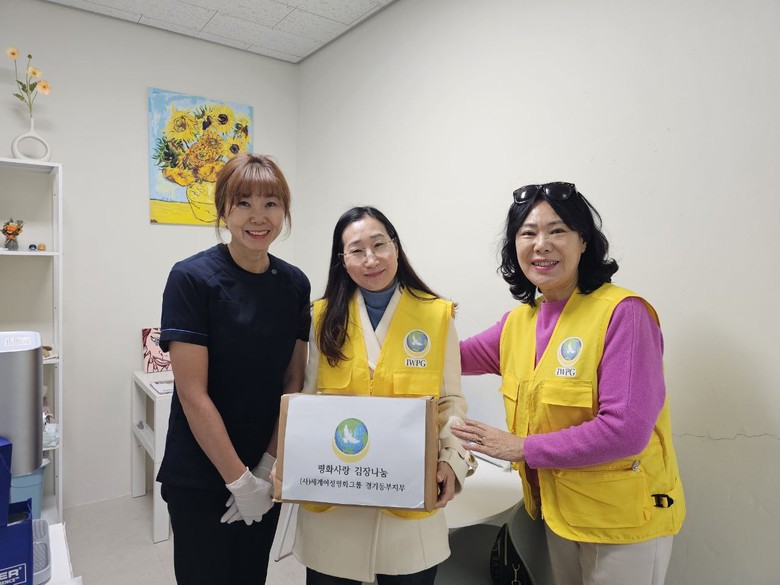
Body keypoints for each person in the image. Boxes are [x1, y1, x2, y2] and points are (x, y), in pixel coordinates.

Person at [451, 182, 685, 585]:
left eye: (557, 230)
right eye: (528, 233)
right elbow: (447, 360)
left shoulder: (623, 314)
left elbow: (626, 431)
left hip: (622, 522)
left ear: (583, 242)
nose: (541, 244)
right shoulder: (518, 323)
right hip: (560, 515)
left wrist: (521, 448)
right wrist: (415, 315)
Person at [292, 206, 475, 585]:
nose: (371, 259)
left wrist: (451, 461)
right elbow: (308, 399)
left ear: (395, 247)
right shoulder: (322, 316)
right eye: (356, 250)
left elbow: (451, 403)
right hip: (336, 499)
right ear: (342, 260)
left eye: (379, 245)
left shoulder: (436, 315)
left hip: (407, 501)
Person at [157, 153, 311, 584]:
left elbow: (293, 381)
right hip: (201, 473)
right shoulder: (191, 278)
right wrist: (240, 482)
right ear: (224, 210)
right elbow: (193, 393)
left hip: (267, 467)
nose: (258, 217)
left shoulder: (295, 284)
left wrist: (265, 470)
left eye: (271, 204)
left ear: (284, 212)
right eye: (244, 203)